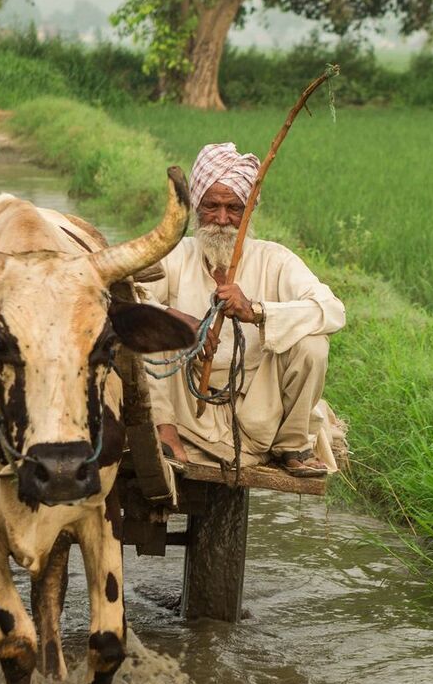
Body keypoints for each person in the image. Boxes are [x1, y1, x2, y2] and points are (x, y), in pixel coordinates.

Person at [143, 141, 345, 476]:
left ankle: (292, 445)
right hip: (183, 407)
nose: (222, 219)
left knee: (313, 344)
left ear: (248, 211)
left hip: (256, 408)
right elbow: (127, 297)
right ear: (196, 206)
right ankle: (164, 435)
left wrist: (257, 312)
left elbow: (333, 310)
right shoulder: (177, 255)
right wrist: (178, 322)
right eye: (211, 206)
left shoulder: (274, 259)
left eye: (234, 208)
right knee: (146, 324)